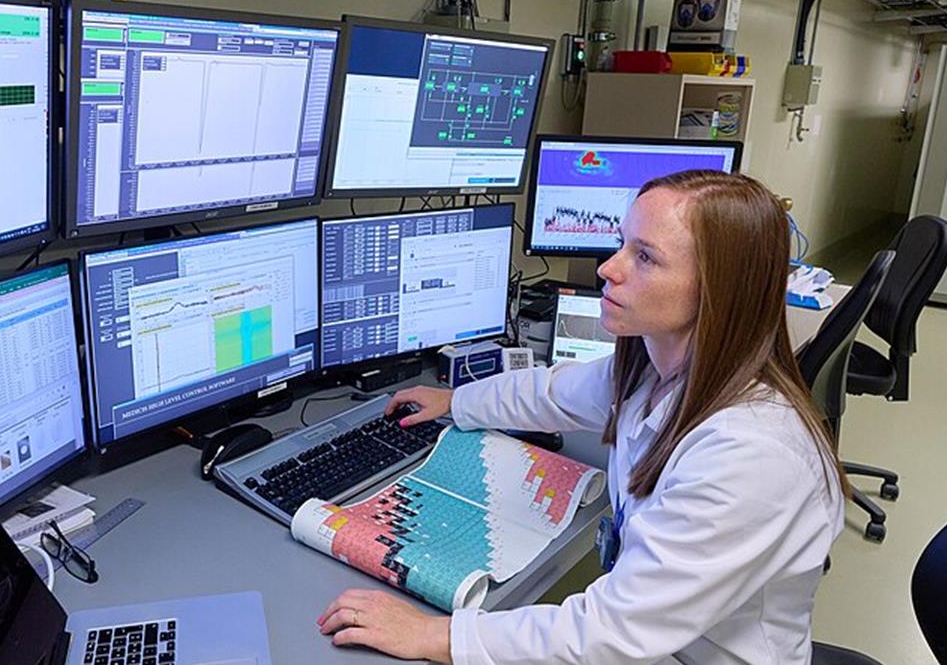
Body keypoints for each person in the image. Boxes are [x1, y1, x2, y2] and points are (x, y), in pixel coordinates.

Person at [317, 170, 845, 664]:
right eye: (621, 244)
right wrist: (456, 402)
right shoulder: (655, 364)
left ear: (719, 290)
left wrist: (434, 635)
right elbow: (554, 393)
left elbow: (616, 631)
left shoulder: (750, 452)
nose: (608, 269)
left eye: (645, 257)